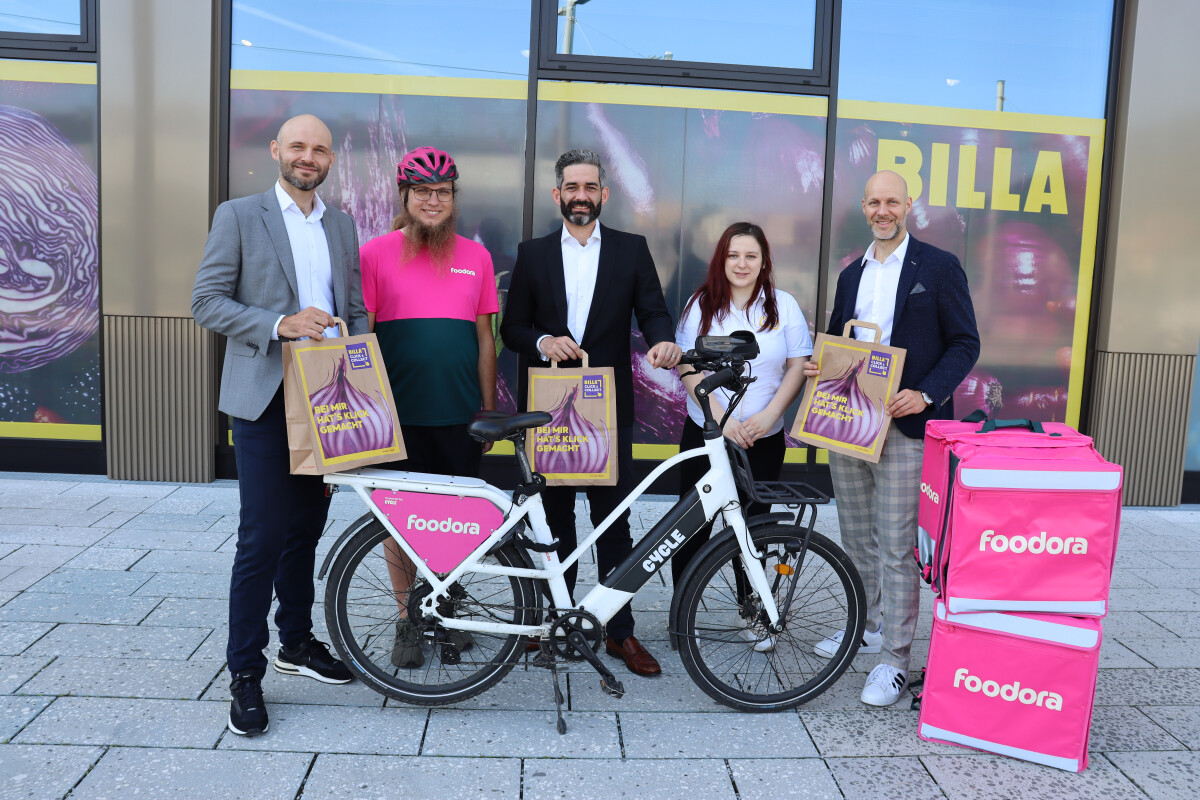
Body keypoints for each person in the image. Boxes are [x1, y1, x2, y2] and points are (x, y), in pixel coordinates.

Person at [192, 114, 362, 737]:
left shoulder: (341, 224)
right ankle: (244, 673)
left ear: (330, 158)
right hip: (263, 400)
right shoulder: (238, 216)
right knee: (261, 537)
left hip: (327, 404)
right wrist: (279, 323)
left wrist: (359, 363)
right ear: (276, 151)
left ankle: (296, 642)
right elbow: (205, 302)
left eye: (319, 148)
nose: (308, 156)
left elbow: (357, 308)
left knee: (307, 530)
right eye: (298, 146)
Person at [500, 149, 683, 677]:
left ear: (604, 194)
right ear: (557, 195)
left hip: (608, 408)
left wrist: (664, 342)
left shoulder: (631, 249)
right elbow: (513, 329)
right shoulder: (532, 254)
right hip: (551, 409)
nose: (581, 195)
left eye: (590, 187)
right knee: (553, 521)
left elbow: (652, 308)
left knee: (613, 521)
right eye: (571, 187)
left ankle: (618, 632)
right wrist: (542, 340)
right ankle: (554, 622)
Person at [807, 170, 979, 706]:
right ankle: (868, 626)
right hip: (849, 424)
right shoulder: (849, 274)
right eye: (874, 202)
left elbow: (965, 343)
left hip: (904, 425)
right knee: (857, 537)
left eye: (892, 201)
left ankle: (895, 660)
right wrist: (822, 367)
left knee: (897, 546)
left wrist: (925, 395)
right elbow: (840, 341)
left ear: (909, 204)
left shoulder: (939, 267)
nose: (883, 210)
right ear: (864, 206)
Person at [357, 146, 498, 668]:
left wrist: (487, 409)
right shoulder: (372, 254)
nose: (433, 201)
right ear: (405, 196)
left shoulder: (477, 256)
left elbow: (486, 339)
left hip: (461, 416)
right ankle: (406, 619)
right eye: (423, 192)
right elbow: (362, 341)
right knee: (402, 523)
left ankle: (447, 607)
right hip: (398, 419)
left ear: (453, 198)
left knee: (457, 522)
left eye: (442, 192)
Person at [671, 222, 812, 651]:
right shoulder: (701, 304)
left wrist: (769, 416)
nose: (742, 264)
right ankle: (683, 614)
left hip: (763, 440)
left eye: (751, 256)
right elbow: (686, 365)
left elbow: (797, 365)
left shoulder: (782, 305)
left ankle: (753, 609)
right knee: (692, 527)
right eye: (734, 255)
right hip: (706, 435)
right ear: (722, 259)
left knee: (753, 528)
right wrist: (721, 420)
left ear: (764, 262)